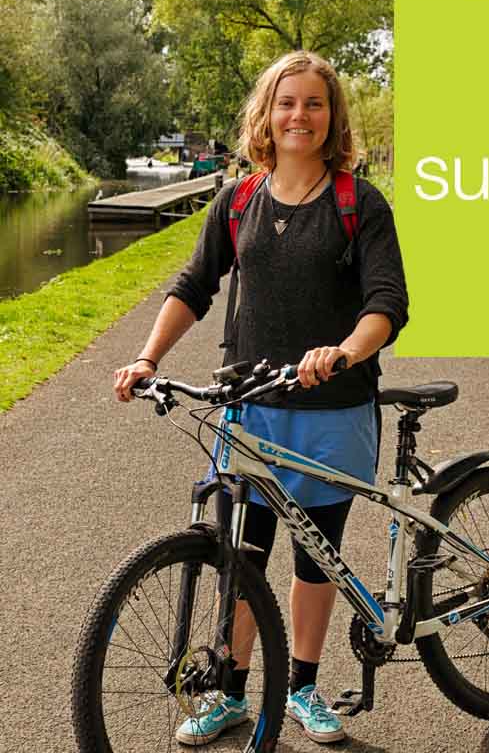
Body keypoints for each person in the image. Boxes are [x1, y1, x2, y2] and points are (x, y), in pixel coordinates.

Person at [113, 50, 408, 746]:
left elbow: (387, 304)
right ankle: (231, 694)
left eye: (312, 103)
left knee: (315, 558)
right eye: (286, 103)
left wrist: (344, 351)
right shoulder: (238, 200)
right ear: (265, 116)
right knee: (241, 557)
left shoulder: (357, 203)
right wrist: (147, 356)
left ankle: (303, 687)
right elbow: (193, 287)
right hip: (248, 411)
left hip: (331, 412)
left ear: (331, 116)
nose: (298, 116)